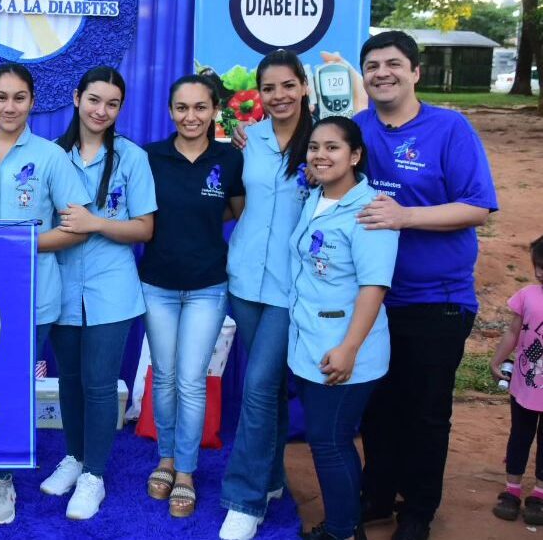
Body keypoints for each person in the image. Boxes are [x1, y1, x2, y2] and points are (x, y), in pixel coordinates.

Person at [353, 31, 498, 540]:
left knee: (426, 412)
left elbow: (477, 206)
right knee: (376, 409)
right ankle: (376, 497)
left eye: (393, 63)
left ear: (415, 72)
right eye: (372, 65)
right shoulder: (355, 130)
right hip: (372, 300)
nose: (382, 73)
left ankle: (418, 511)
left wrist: (405, 216)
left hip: (437, 298)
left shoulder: (450, 128)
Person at [0, 62, 90, 525]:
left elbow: (77, 228)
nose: (10, 106)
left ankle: (4, 479)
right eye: (1, 97)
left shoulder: (51, 157)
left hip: (33, 294)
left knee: (12, 387)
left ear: (32, 101)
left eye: (19, 97)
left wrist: (19, 243)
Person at [42, 66, 155, 520]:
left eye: (111, 103)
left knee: (100, 384)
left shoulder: (132, 157)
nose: (101, 110)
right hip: (60, 287)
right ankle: (74, 458)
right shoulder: (49, 156)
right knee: (69, 380)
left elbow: (145, 227)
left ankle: (95, 475)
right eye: (94, 99)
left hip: (111, 290)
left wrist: (97, 224)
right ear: (75, 98)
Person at [139, 73, 244, 519]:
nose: (191, 116)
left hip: (207, 284)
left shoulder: (229, 158)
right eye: (182, 108)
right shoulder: (150, 157)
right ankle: (165, 458)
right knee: (163, 377)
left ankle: (186, 470)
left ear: (215, 109)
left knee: (190, 379)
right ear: (170, 112)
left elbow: (237, 212)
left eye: (201, 107)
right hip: (157, 283)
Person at [289, 117, 399, 540]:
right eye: (314, 147)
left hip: (344, 351)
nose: (320, 155)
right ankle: (346, 525)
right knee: (330, 442)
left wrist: (350, 348)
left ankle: (341, 532)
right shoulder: (315, 198)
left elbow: (374, 286)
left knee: (330, 443)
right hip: (311, 342)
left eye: (333, 147)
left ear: (354, 155)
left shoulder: (369, 210)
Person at [219, 49, 313, 540]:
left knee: (257, 387)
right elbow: (236, 201)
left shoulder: (321, 142)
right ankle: (272, 477)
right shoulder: (247, 139)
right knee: (270, 387)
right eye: (269, 88)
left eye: (287, 86)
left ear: (303, 86)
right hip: (244, 278)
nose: (279, 96)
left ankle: (244, 498)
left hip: (292, 287)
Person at [489, 235, 543, 525]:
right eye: (537, 266)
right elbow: (512, 331)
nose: (540, 273)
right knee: (520, 435)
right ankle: (512, 490)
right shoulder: (527, 295)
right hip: (525, 383)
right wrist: (497, 359)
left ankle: (539, 494)